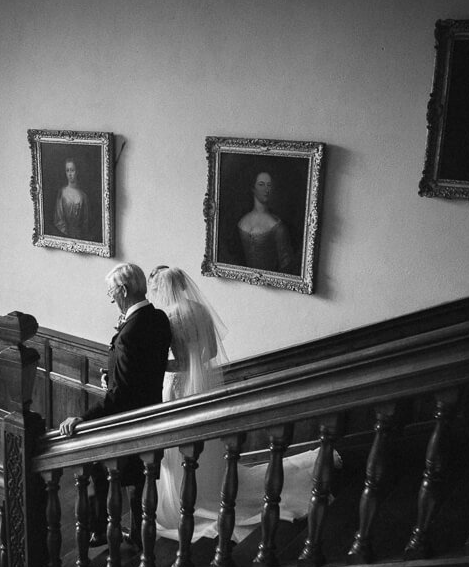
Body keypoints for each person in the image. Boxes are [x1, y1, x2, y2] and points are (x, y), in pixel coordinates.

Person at [147, 265, 317, 542]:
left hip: (178, 384)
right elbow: (210, 352)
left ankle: (181, 497)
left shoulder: (170, 316)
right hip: (201, 384)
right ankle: (206, 488)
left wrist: (155, 365)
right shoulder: (199, 309)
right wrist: (194, 367)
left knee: (176, 439)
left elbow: (177, 361)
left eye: (156, 290)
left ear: (163, 288)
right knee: (201, 438)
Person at [59, 262, 172, 545]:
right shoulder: (158, 319)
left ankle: (101, 529)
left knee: (97, 465)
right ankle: (138, 537)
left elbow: (120, 395)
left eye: (111, 292)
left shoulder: (128, 335)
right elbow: (146, 369)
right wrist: (116, 376)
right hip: (151, 414)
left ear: (123, 290)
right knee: (141, 479)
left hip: (127, 418)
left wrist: (82, 418)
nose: (110, 298)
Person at [236, 171, 297, 274]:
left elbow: (286, 266)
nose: (266, 189)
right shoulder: (241, 222)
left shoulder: (277, 226)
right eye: (261, 184)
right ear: (253, 188)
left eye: (269, 185)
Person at [53, 157, 91, 240]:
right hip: (64, 236)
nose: (70, 174)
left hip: (80, 237)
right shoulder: (62, 192)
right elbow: (59, 220)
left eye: (72, 170)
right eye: (67, 170)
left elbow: (85, 221)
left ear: (77, 172)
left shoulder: (83, 196)